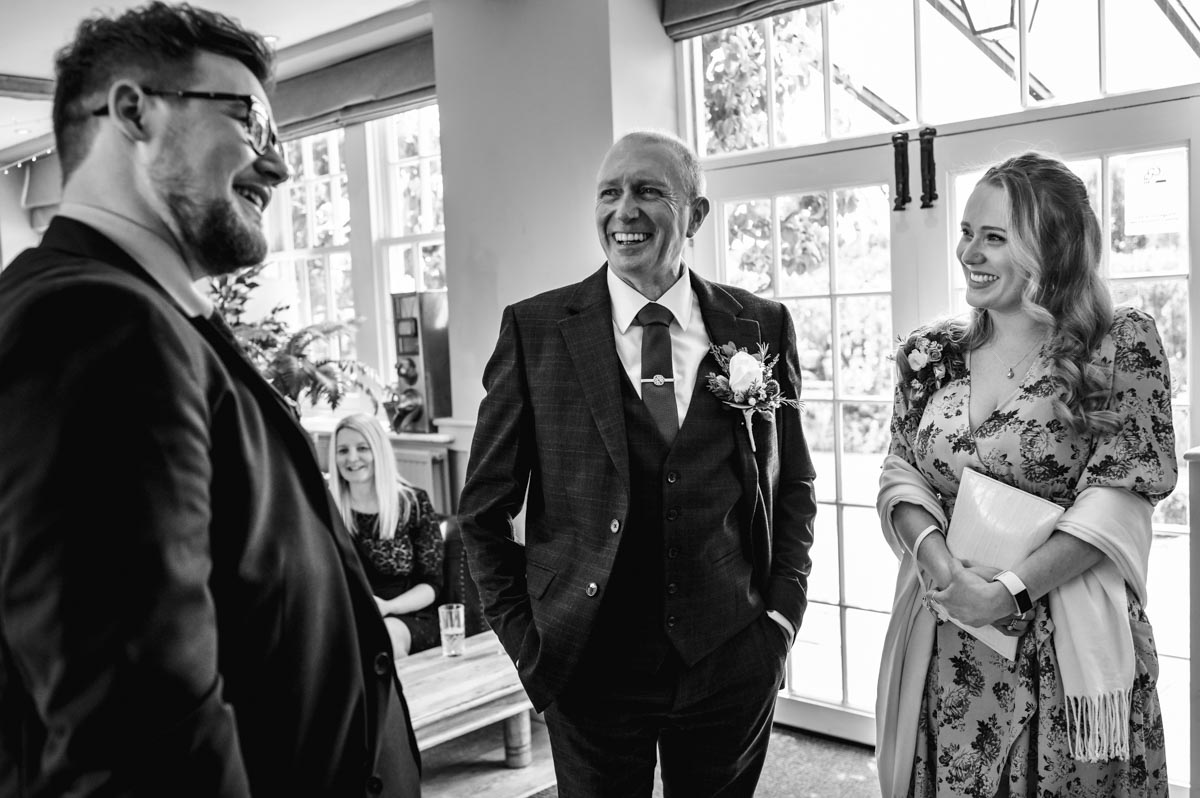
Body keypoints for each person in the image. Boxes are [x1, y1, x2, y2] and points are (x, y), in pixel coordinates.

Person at [0, 4, 420, 796]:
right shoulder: (91, 323)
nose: (280, 167)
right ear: (133, 112)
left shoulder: (152, 316)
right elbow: (138, 733)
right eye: (252, 122)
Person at [458, 130, 818, 796]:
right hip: (587, 665)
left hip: (730, 654)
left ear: (696, 214)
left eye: (649, 191)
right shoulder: (535, 330)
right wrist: (531, 646)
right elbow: (482, 514)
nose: (625, 211)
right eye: (610, 193)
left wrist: (780, 621)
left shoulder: (760, 326)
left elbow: (791, 484)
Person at [876, 152, 1176, 797]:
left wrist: (1006, 591)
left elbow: (1118, 496)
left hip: (1062, 645)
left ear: (1054, 246)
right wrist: (943, 570)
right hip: (948, 636)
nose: (969, 253)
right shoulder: (931, 353)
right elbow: (901, 472)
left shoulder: (1120, 344)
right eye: (966, 232)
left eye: (994, 237)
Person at [330, 413, 444, 657]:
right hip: (348, 615)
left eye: (362, 448)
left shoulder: (413, 503)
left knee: (384, 638)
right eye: (342, 450)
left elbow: (432, 585)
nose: (352, 458)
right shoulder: (327, 509)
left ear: (378, 451)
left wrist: (386, 607)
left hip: (408, 614)